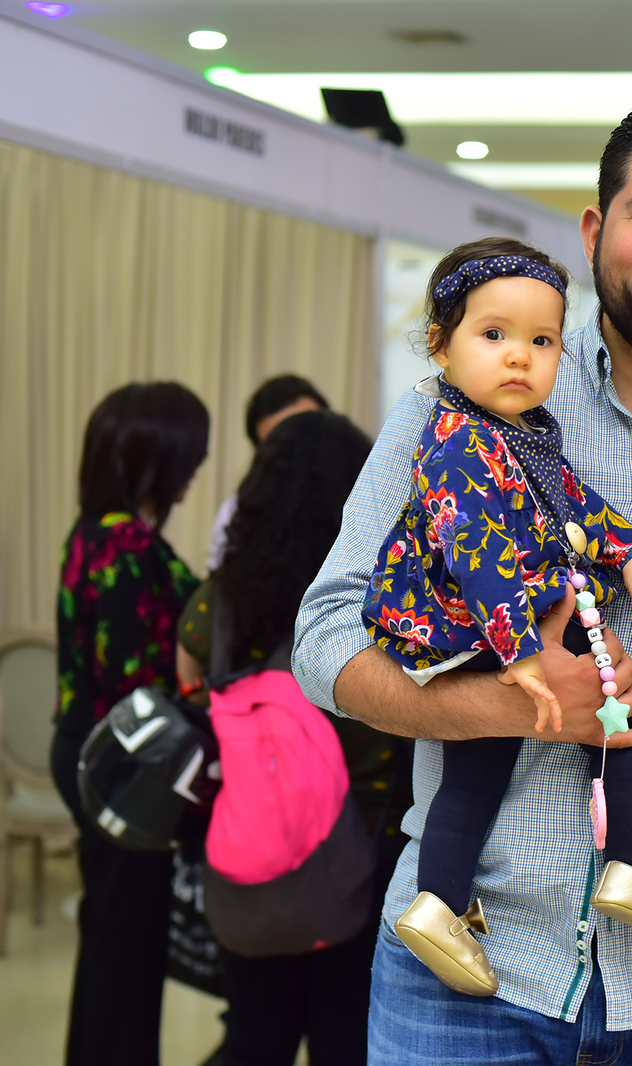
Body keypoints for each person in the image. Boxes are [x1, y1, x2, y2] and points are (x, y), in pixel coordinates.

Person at [295, 88, 632, 1063]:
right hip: (467, 980)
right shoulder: (464, 394)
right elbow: (325, 637)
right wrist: (507, 702)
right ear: (594, 230)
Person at [359, 238, 632, 998]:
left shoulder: (520, 434)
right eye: (493, 334)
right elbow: (478, 555)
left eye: (542, 341)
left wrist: (629, 553)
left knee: (475, 774)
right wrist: (520, 653)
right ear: (440, 346)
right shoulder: (460, 444)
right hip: (493, 622)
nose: (520, 356)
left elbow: (574, 502)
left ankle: (439, 903)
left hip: (495, 622)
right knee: (624, 715)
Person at [175, 409, 411, 1066]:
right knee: (347, 1038)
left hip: (254, 847)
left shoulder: (217, 603)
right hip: (364, 848)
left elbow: (191, 689)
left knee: (256, 1036)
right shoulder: (376, 604)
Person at [50, 381, 209, 1066]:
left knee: (109, 941)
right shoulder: (129, 547)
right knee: (128, 954)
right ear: (156, 458)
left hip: (87, 750)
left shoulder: (94, 531)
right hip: (124, 766)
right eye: (190, 455)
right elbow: (130, 688)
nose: (196, 468)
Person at [207, 374, 328, 570]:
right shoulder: (238, 515)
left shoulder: (369, 498)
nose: (300, 454)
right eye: (283, 446)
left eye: (309, 434)